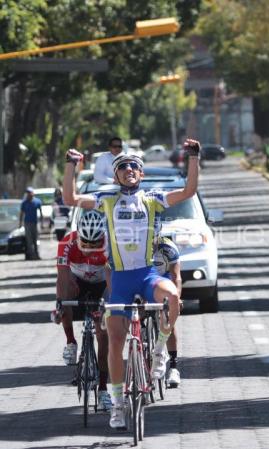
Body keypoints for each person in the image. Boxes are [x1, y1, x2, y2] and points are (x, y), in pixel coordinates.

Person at [62, 137, 200, 428]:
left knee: (172, 295)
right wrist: (71, 166)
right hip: (121, 280)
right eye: (122, 167)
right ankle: (116, 404)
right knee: (114, 342)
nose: (128, 170)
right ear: (115, 175)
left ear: (142, 173)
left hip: (147, 273)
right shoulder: (107, 200)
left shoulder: (152, 199)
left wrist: (193, 158)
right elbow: (71, 200)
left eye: (133, 166)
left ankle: (161, 350)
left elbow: (189, 191)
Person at [54, 209, 112, 411]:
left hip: (102, 284)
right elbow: (62, 277)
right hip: (76, 281)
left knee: (103, 335)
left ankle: (104, 389)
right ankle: (70, 342)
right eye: (84, 243)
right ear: (78, 235)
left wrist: (107, 306)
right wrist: (61, 304)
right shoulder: (66, 243)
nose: (88, 248)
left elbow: (112, 283)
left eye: (94, 244)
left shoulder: (110, 244)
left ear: (102, 238)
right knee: (64, 295)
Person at [153, 233, 182, 388]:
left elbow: (176, 277)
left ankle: (174, 367)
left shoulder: (168, 248)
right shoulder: (135, 249)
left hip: (164, 280)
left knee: (168, 317)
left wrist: (176, 298)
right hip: (146, 282)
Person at [19, 186, 43, 260]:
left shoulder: (37, 201)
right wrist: (20, 223)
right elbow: (22, 213)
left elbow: (41, 212)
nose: (29, 194)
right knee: (29, 240)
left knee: (35, 239)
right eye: (27, 193)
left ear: (33, 193)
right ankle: (31, 255)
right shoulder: (24, 202)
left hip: (35, 223)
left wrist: (41, 222)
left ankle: (37, 254)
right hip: (27, 223)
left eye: (30, 193)